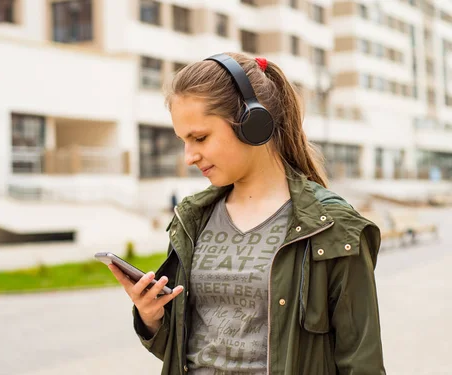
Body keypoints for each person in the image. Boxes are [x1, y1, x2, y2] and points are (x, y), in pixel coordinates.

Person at [108, 52, 385, 375]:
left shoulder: (332, 227)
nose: (189, 157)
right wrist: (150, 317)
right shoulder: (191, 220)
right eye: (184, 141)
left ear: (254, 123)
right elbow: (188, 349)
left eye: (200, 138)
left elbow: (361, 363)